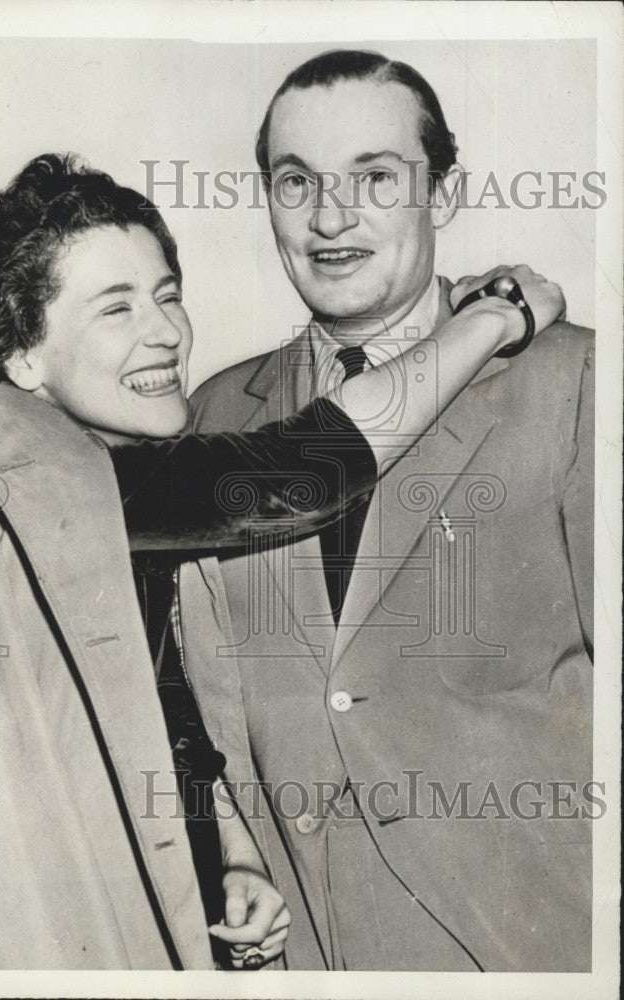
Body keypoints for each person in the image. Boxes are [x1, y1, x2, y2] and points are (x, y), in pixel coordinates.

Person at [0, 153, 557, 971]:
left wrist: (227, 862)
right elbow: (301, 472)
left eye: (168, 294)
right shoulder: (12, 463)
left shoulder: (100, 492)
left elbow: (156, 714)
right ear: (20, 356)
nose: (165, 330)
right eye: (116, 308)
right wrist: (495, 320)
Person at [180, 50, 594, 972]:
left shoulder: (574, 381)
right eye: (297, 182)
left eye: (374, 176)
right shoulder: (211, 416)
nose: (330, 217)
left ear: (441, 193)